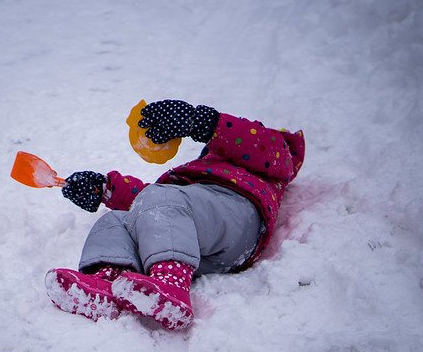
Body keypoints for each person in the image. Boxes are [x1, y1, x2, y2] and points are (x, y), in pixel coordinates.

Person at [45, 99, 305, 330]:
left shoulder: (274, 154)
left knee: (162, 199)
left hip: (236, 216)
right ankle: (106, 284)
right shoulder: (190, 183)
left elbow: (257, 144)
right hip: (198, 247)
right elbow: (154, 209)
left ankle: (171, 283)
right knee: (116, 221)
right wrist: (104, 188)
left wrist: (200, 122)